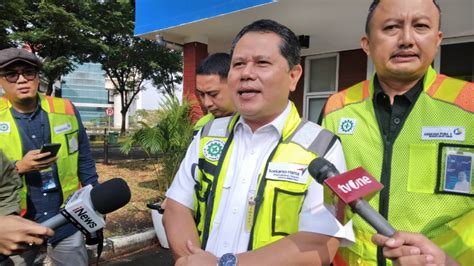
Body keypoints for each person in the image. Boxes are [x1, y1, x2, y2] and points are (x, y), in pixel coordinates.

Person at [164, 19, 354, 266]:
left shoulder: (321, 146)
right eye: (238, 64)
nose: (246, 73)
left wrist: (226, 265)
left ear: (293, 76)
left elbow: (321, 242)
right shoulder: (208, 134)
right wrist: (190, 260)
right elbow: (177, 206)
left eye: (262, 63)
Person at [320, 0, 473, 265]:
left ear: (437, 40)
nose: (406, 39)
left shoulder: (468, 107)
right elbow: (323, 203)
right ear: (367, 44)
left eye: (421, 26)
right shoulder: (337, 109)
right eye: (391, 27)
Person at [0, 47, 99, 265]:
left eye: (28, 72)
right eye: (11, 74)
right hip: (16, 223)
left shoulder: (66, 108)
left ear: (37, 77)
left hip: (66, 217)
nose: (21, 80)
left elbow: (84, 158)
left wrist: (96, 201)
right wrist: (19, 167)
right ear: (1, 81)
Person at [193, 53, 235, 134]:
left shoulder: (255, 124)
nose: (206, 103)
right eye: (201, 94)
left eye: (213, 94)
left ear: (234, 85)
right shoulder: (202, 125)